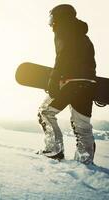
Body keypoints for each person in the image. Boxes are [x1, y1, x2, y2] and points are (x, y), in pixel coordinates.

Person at [37, 4, 96, 164]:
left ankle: (54, 150)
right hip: (87, 83)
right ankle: (85, 160)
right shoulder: (85, 37)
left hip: (70, 83)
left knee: (45, 112)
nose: (51, 24)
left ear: (59, 17)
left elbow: (62, 57)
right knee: (82, 125)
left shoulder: (63, 29)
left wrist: (53, 79)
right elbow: (91, 62)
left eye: (52, 19)